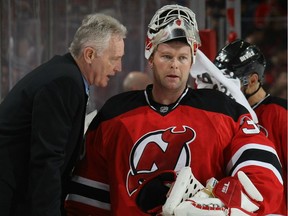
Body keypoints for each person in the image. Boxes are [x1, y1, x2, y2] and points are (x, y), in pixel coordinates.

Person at [64, 4, 283, 215]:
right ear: (150, 57)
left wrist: (222, 203)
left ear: (192, 60)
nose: (174, 65)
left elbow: (265, 177)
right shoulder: (114, 114)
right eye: (166, 56)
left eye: (182, 58)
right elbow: (87, 202)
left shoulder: (224, 110)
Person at [0, 13, 127, 216]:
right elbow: (47, 160)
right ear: (89, 55)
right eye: (114, 59)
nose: (119, 68)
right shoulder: (64, 82)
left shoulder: (65, 74)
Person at [214, 39, 287, 215]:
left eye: (230, 83)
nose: (223, 89)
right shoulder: (224, 114)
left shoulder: (280, 113)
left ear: (253, 80)